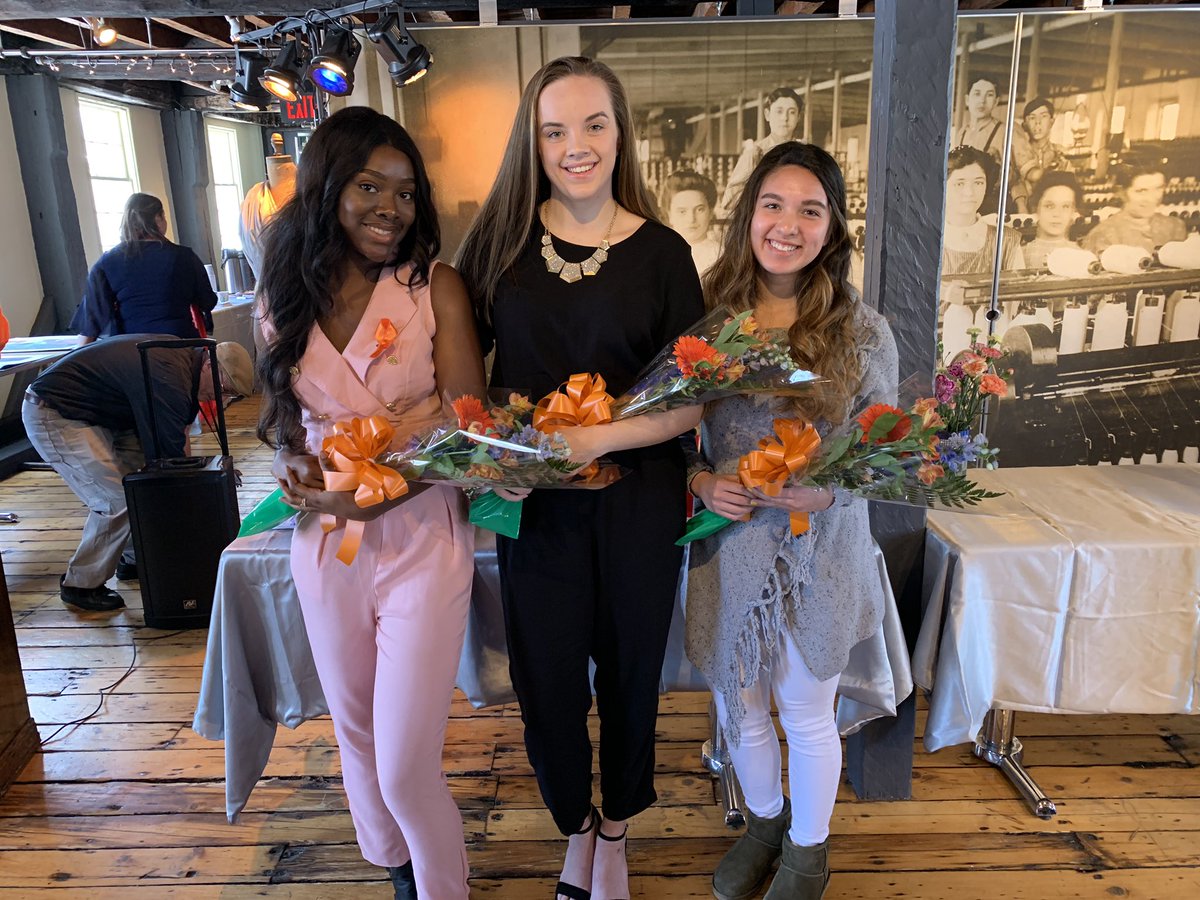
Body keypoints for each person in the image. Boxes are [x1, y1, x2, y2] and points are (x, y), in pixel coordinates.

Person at [455, 56, 705, 900]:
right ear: (533, 140)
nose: (576, 146)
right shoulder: (497, 246)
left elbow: (690, 403)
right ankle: (575, 826)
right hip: (536, 508)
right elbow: (471, 384)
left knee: (633, 670)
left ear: (620, 131)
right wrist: (504, 459)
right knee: (547, 679)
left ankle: (619, 827)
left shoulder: (665, 254)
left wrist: (594, 438)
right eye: (555, 130)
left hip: (640, 501)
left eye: (593, 124)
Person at [256, 107, 485, 900]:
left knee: (403, 757)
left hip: (420, 537)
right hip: (324, 547)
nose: (391, 207)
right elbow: (284, 421)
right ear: (326, 188)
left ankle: (442, 889)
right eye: (368, 186)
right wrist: (295, 466)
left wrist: (374, 499)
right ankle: (397, 873)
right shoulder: (284, 295)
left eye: (406, 192)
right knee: (354, 733)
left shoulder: (434, 289)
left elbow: (470, 427)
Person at [685, 142, 898, 900]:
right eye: (773, 205)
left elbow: (886, 451)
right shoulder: (707, 321)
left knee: (807, 711)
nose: (788, 224)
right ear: (749, 216)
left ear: (833, 229)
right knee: (739, 704)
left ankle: (808, 855)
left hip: (822, 553)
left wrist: (828, 494)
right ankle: (765, 823)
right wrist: (703, 480)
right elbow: (672, 430)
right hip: (732, 545)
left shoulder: (863, 331)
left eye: (811, 210)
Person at [21, 335, 252, 613]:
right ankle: (80, 584)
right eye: (223, 388)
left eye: (229, 394)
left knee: (138, 485)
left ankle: (133, 558)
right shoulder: (170, 378)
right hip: (57, 412)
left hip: (106, 414)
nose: (220, 397)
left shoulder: (183, 361)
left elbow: (175, 438)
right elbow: (169, 457)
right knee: (115, 501)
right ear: (208, 366)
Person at [71, 193, 218, 344]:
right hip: (181, 346)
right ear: (158, 219)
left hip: (131, 351)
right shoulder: (184, 256)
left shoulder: (107, 262)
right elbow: (208, 301)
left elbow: (91, 322)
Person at [717, 87, 804, 218]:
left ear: (798, 117)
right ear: (767, 115)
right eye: (779, 111)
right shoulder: (756, 153)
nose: (784, 118)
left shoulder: (806, 153)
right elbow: (731, 198)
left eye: (791, 112)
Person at [1081, 161, 1187, 255]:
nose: (1151, 198)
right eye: (1141, 191)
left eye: (1158, 188)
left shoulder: (1175, 227)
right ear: (1122, 193)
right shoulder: (1103, 235)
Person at [1010, 97, 1070, 213]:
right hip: (1022, 214)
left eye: (1043, 116)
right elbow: (1013, 182)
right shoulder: (1017, 155)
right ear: (1025, 124)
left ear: (1052, 122)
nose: (1038, 122)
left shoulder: (1061, 155)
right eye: (1032, 118)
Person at [661, 168, 722, 275]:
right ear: (669, 215)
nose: (691, 219)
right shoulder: (658, 255)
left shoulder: (722, 258)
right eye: (682, 211)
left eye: (699, 209)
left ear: (711, 212)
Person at [1022, 170, 1084, 270]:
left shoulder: (1082, 258)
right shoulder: (1019, 256)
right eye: (1049, 206)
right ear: (1037, 208)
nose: (1057, 214)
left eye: (1065, 206)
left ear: (1074, 212)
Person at [952, 78, 1006, 163]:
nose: (982, 101)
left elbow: (1028, 169)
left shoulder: (1006, 131)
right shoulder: (962, 133)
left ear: (996, 102)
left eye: (989, 95)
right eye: (977, 94)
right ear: (967, 100)